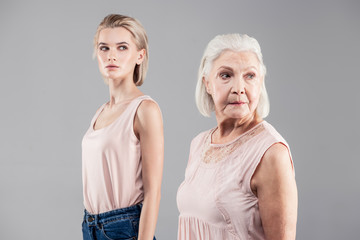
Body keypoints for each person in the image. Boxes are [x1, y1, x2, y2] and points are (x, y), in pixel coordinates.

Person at [177, 34, 298, 240]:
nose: (239, 89)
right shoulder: (199, 144)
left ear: (260, 83)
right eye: (226, 75)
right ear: (207, 83)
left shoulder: (271, 154)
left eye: (250, 76)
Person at [81, 14, 163, 240]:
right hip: (90, 226)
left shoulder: (145, 109)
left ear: (140, 55)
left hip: (124, 228)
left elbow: (153, 192)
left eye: (122, 47)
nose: (112, 56)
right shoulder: (100, 112)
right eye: (104, 48)